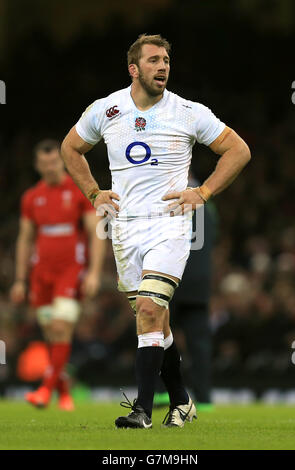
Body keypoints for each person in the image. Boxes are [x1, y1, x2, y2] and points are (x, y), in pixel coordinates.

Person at [61, 34, 251, 428]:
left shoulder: (188, 112)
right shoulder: (106, 109)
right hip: (124, 230)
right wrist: (94, 193)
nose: (162, 66)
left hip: (169, 226)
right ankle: (182, 401)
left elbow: (238, 150)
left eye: (166, 60)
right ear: (134, 68)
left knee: (148, 311)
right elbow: (70, 148)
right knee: (157, 324)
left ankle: (142, 410)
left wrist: (203, 192)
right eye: (153, 60)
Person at [10, 139, 105, 410]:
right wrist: (20, 279)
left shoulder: (77, 191)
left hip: (70, 271)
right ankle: (64, 392)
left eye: (54, 162)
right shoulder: (31, 197)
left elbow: (95, 233)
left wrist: (94, 273)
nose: (50, 167)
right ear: (38, 165)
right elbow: (25, 239)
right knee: (52, 334)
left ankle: (45, 390)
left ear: (61, 162)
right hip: (41, 274)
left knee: (61, 328)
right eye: (45, 163)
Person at [154, 173, 218, 411]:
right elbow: (214, 239)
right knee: (199, 344)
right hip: (199, 283)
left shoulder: (166, 198)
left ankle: (161, 393)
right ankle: (205, 398)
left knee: (157, 337)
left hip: (170, 277)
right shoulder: (208, 206)